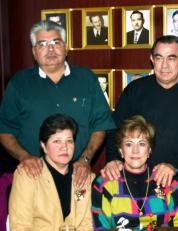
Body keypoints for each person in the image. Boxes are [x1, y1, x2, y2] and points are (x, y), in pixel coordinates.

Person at [103, 35, 178, 228]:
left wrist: (175, 165)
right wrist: (113, 158)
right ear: (152, 60)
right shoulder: (135, 90)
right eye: (159, 57)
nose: (164, 65)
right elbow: (116, 129)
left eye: (171, 58)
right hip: (136, 187)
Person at [0, 20, 114, 189]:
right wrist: (24, 157)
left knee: (82, 216)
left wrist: (85, 159)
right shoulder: (19, 83)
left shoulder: (86, 78)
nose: (50, 49)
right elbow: (5, 131)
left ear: (66, 48)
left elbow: (101, 124)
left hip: (78, 176)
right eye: (42, 44)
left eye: (56, 42)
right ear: (34, 52)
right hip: (34, 176)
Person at [2, 114, 95, 231]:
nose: (64, 147)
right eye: (57, 141)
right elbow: (20, 229)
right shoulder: (27, 175)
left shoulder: (82, 178)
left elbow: (85, 224)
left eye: (69, 141)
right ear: (44, 146)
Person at [92, 115, 178, 230]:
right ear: (120, 150)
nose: (135, 150)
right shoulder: (104, 184)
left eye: (142, 144)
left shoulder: (167, 182)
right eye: (129, 144)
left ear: (149, 150)